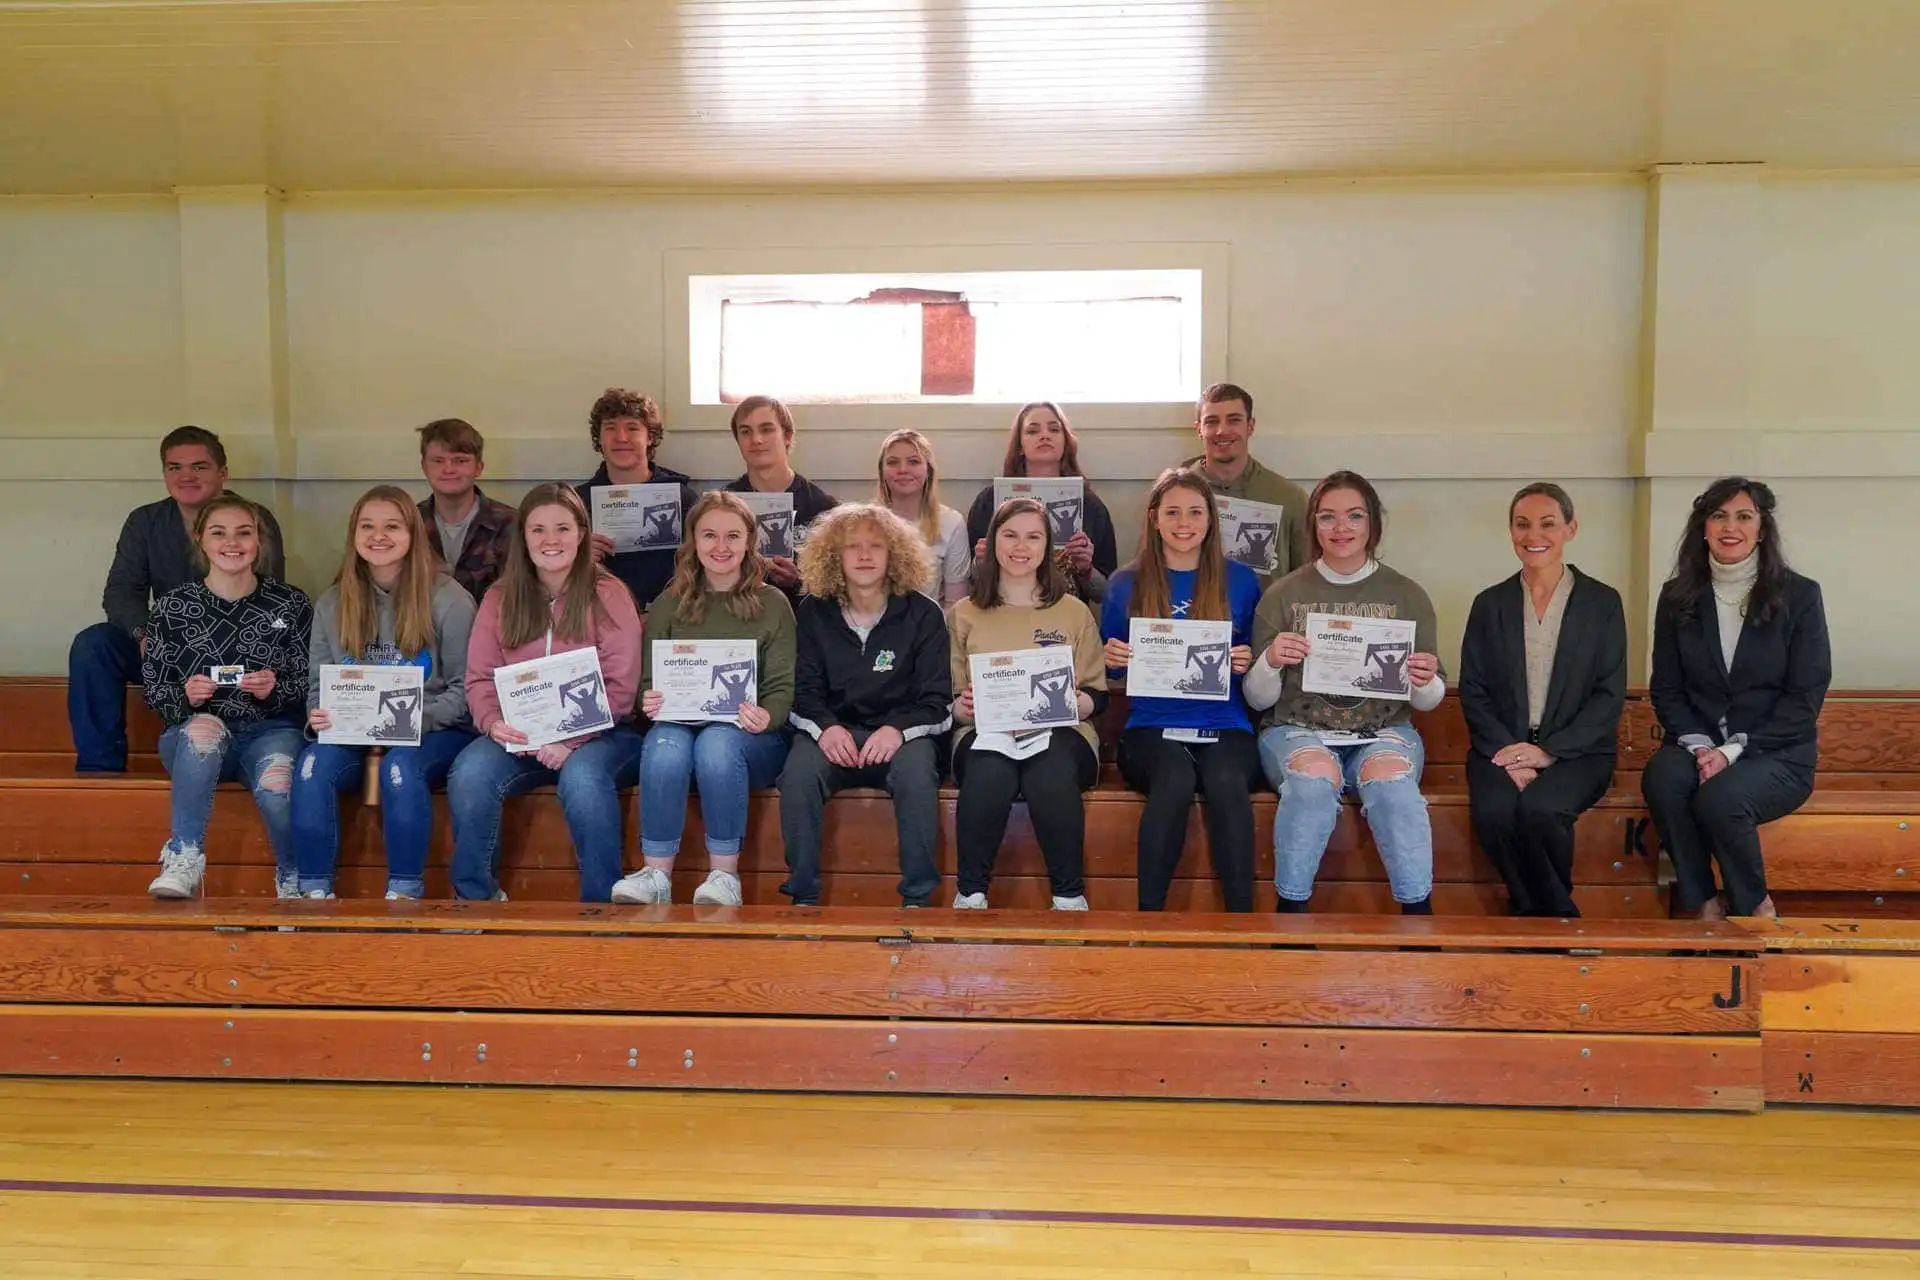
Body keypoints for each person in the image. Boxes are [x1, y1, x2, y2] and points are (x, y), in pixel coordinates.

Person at [1246, 471, 1445, 914]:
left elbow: (1427, 701)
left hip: (1384, 729)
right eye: (1328, 517)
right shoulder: (1283, 594)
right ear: (1313, 525)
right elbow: (1258, 699)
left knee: (1394, 788)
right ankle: (1290, 914)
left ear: (1372, 523)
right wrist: (1272, 659)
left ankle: (1419, 915)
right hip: (1297, 728)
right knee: (1313, 785)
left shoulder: (1407, 595)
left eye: (1354, 516)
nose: (1341, 528)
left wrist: (1424, 678)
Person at [1643, 477, 1829, 921]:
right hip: (1697, 745)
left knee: (1720, 799)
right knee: (1662, 778)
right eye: (1719, 516)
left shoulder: (1800, 596)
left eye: (1744, 516)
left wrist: (1731, 751)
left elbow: (1805, 697)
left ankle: (1754, 910)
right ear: (1703, 527)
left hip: (1775, 754)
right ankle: (1702, 902)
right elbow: (1666, 686)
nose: (1731, 527)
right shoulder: (1677, 596)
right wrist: (1701, 746)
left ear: (1762, 529)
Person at [448, 484, 644, 902]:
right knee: (470, 773)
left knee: (584, 779)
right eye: (537, 530)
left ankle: (601, 907)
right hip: (519, 737)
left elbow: (621, 687)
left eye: (562, 528)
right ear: (523, 538)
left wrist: (570, 739)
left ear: (581, 534)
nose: (550, 540)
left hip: (602, 734)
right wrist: (494, 723)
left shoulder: (609, 594)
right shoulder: (500, 597)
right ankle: (475, 899)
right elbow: (480, 678)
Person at [292, 486, 479, 900]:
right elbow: (318, 685)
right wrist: (319, 714)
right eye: (368, 526)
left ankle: (404, 893)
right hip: (354, 731)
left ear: (413, 534)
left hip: (431, 732)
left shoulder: (450, 600)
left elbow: (466, 690)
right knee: (309, 769)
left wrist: (412, 721)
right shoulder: (332, 602)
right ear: (354, 535)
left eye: (392, 526)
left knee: (400, 770)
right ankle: (312, 894)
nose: (379, 536)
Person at [612, 492, 796, 908]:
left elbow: (782, 688)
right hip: (679, 724)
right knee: (662, 745)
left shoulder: (773, 604)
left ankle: (724, 877)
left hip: (750, 735)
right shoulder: (669, 603)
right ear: (693, 541)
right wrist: (650, 700)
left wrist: (765, 716)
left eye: (733, 536)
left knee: (717, 741)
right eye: (709, 535)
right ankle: (656, 874)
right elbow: (647, 681)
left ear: (750, 541)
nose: (721, 546)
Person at [69, 426, 287, 773]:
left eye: (199, 466)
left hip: (234, 654)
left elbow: (272, 598)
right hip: (161, 649)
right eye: (174, 467)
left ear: (222, 473)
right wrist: (145, 635)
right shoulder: (145, 521)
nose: (186, 476)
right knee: (93, 644)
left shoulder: (252, 520)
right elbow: (121, 591)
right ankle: (100, 770)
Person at [1458, 483, 1627, 917]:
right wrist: (1512, 755)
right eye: (1522, 524)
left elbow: (1608, 695)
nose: (1534, 535)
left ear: (1570, 529)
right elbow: (1473, 690)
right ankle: (1553, 914)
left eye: (1548, 524)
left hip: (1579, 753)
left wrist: (1547, 753)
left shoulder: (1602, 603)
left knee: (1541, 809)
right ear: (1511, 532)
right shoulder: (1489, 604)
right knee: (1495, 812)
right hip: (1500, 748)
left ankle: (1532, 915)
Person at [1099, 468, 1260, 912]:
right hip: (1150, 726)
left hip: (1226, 724)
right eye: (1172, 512)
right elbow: (1111, 671)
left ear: (1211, 519)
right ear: (1154, 519)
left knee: (1226, 782)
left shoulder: (1242, 581)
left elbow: (1262, 668)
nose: (1183, 522)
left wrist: (1247, 661)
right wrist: (1113, 661)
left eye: (1194, 511)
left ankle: (1240, 922)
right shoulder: (1124, 584)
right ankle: (1150, 920)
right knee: (1173, 780)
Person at [779, 504, 951, 907]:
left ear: (895, 555)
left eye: (876, 546)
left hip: (899, 736)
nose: (864, 555)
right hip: (834, 733)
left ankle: (919, 901)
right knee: (799, 775)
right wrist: (825, 727)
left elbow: (937, 701)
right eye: (852, 546)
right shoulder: (813, 612)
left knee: (917, 775)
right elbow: (802, 692)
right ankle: (802, 898)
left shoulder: (924, 614)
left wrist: (897, 731)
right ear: (833, 557)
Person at [139, 492, 310, 898]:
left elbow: (310, 681)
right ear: (201, 540)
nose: (231, 542)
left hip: (269, 732)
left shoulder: (291, 602)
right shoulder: (172, 607)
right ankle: (183, 859)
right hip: (192, 737)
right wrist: (186, 696)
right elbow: (155, 690)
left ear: (258, 542)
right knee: (204, 728)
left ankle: (294, 880)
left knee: (278, 783)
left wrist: (275, 688)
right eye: (219, 533)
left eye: (243, 533)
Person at [948, 498, 1107, 910]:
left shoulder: (1072, 612)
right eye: (1011, 535)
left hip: (1062, 733)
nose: (1021, 546)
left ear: (1047, 546)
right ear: (992, 542)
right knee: (989, 770)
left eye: (1033, 537)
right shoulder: (964, 614)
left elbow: (1098, 694)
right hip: (986, 732)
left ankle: (1069, 898)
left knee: (1049, 769)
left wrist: (1076, 702)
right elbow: (949, 702)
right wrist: (963, 708)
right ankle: (970, 894)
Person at [965, 403, 1118, 604]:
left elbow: (1105, 593)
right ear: (1019, 445)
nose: (1044, 436)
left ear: (1066, 442)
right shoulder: (989, 501)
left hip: (1065, 616)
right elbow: (972, 582)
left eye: (1054, 429)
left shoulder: (1090, 506)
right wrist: (981, 562)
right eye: (1032, 430)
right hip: (1002, 610)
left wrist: (1085, 568)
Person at [575, 388, 701, 613]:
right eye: (610, 428)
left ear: (650, 437)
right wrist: (576, 558)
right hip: (597, 619)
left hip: (671, 618)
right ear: (599, 437)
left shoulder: (683, 498)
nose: (621, 437)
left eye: (632, 428)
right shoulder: (576, 504)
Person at [1182, 382, 1312, 586]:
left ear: (1250, 426)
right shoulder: (1173, 495)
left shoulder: (1289, 498)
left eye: (1233, 420)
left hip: (1264, 616)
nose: (1222, 431)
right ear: (1199, 429)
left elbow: (1308, 577)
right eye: (1211, 422)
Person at [724, 395, 840, 600]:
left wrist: (799, 581)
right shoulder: (723, 506)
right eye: (745, 432)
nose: (756, 440)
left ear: (787, 435)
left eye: (767, 429)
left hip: (801, 623)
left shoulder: (823, 508)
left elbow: (839, 586)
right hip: (735, 618)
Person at [415, 417, 517, 602]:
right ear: (424, 467)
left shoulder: (510, 524)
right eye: (438, 461)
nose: (448, 469)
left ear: (479, 467)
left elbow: (519, 597)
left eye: (460, 460)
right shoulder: (407, 522)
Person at [876, 428, 970, 607]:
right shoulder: (865, 524)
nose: (903, 469)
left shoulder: (951, 523)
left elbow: (954, 606)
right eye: (893, 462)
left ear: (929, 470)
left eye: (913, 462)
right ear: (882, 471)